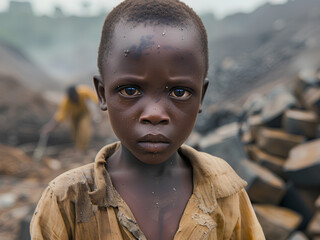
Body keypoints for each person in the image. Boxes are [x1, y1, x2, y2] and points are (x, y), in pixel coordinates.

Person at [30, 0, 265, 239]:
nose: (155, 114)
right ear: (103, 93)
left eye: (179, 92)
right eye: (130, 91)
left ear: (201, 97)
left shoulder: (225, 189)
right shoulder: (67, 200)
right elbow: (61, 116)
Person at [41, 85, 98, 151]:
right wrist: (49, 127)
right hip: (73, 116)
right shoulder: (65, 102)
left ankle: (82, 149)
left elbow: (96, 99)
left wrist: (101, 110)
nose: (75, 99)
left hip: (84, 113)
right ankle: (77, 147)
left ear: (77, 93)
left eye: (75, 97)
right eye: (72, 98)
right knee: (74, 132)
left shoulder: (83, 91)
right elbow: (59, 117)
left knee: (83, 128)